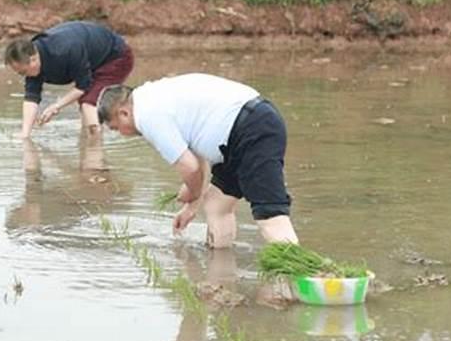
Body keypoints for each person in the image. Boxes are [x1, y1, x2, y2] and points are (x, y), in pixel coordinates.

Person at [96, 73, 299, 248]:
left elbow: (191, 169)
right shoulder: (151, 96)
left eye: (115, 128)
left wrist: (191, 191)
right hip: (242, 130)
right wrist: (192, 206)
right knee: (216, 203)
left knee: (269, 216)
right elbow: (196, 155)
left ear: (123, 113)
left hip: (250, 130)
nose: (122, 134)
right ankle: (221, 270)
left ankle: (304, 277)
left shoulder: (147, 116)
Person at [4, 21, 134, 139]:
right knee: (85, 107)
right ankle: (87, 143)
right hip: (93, 60)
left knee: (88, 103)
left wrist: (56, 107)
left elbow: (83, 86)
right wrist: (25, 133)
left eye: (23, 72)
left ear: (33, 59)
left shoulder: (65, 50)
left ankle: (95, 152)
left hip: (116, 57)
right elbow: (31, 97)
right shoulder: (33, 62)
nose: (23, 75)